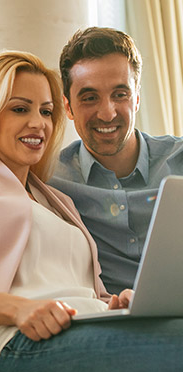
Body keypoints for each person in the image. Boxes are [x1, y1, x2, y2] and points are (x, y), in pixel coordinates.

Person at [0, 50, 183, 372]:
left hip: (92, 329)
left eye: (46, 111)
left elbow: (88, 291)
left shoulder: (58, 199)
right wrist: (21, 310)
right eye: (20, 108)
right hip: (22, 346)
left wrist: (116, 304)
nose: (38, 123)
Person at [49, 27, 183, 294]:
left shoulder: (179, 159)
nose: (107, 114)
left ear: (136, 98)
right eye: (89, 98)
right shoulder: (49, 180)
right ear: (68, 107)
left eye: (120, 94)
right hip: (108, 319)